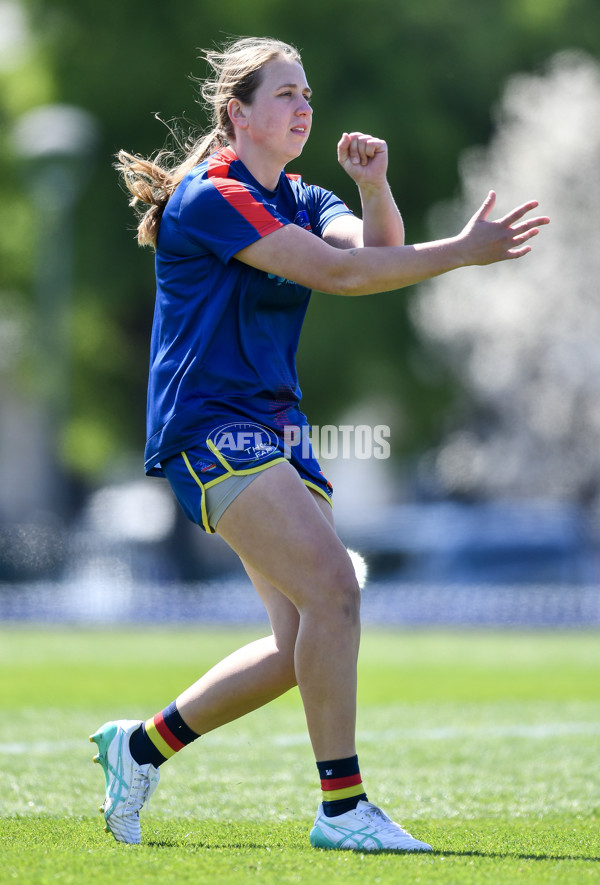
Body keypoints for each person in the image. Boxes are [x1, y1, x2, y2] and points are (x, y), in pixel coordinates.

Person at [90, 36, 549, 852]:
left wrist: (374, 186)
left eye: (307, 94)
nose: (304, 107)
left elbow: (371, 258)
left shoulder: (299, 195)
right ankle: (343, 810)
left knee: (302, 640)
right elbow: (338, 279)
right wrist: (464, 253)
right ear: (238, 112)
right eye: (285, 95)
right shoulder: (210, 197)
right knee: (336, 589)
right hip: (213, 431)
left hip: (275, 434)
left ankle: (139, 746)